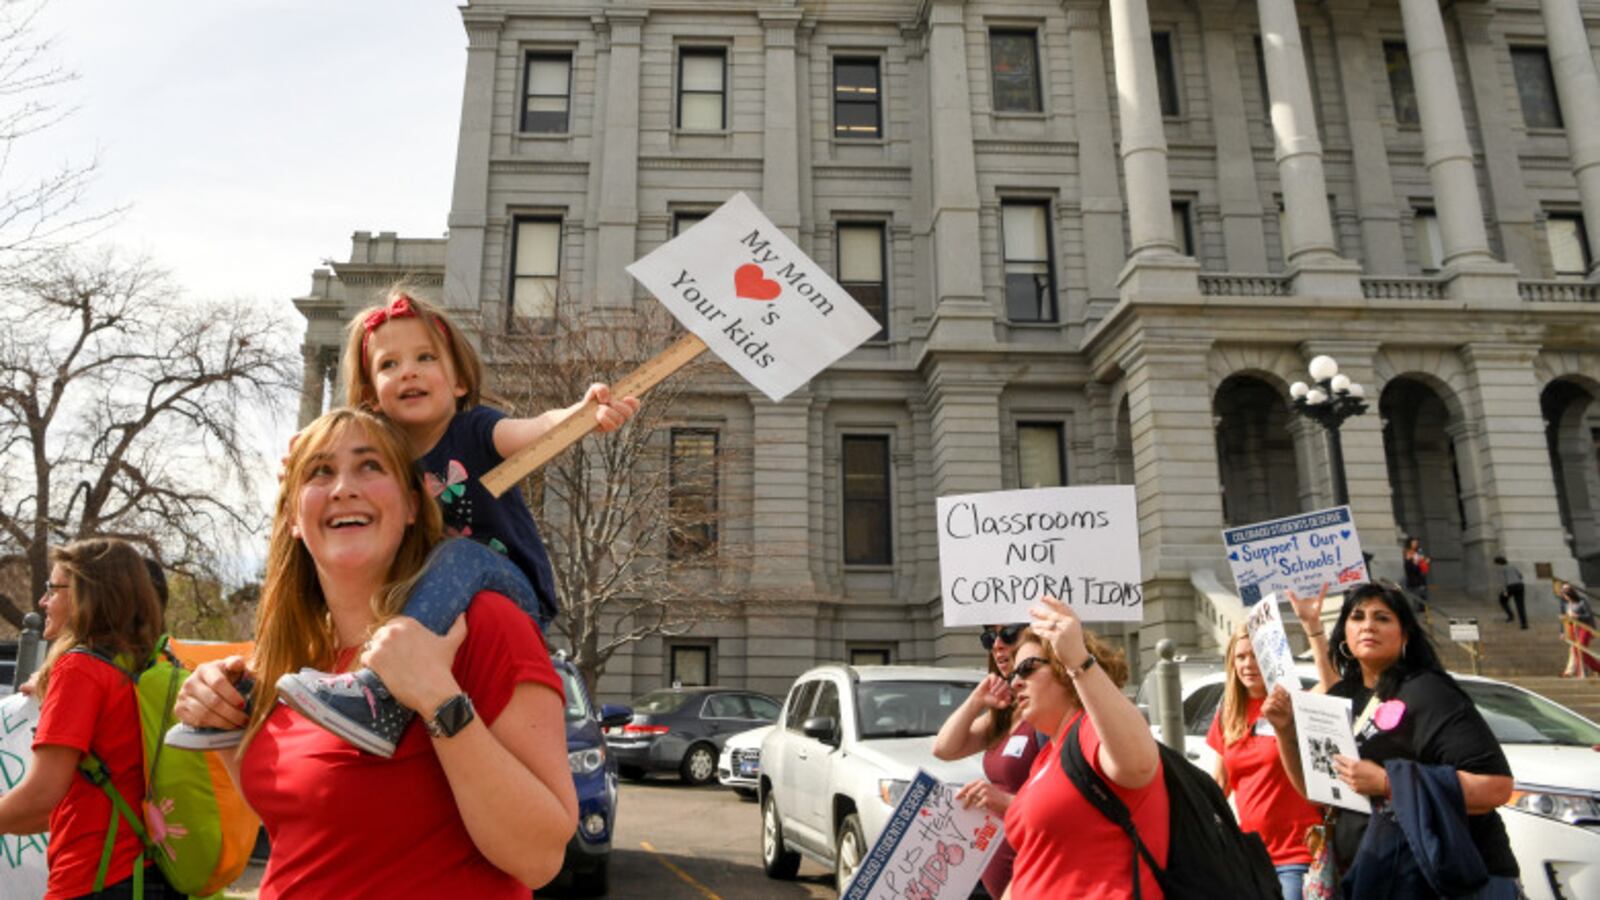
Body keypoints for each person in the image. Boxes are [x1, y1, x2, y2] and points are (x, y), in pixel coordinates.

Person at [172, 289, 639, 755]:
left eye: (424, 358)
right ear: (371, 395)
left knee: (456, 553)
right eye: (389, 365)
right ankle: (268, 687)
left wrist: (581, 414)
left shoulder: (475, 430)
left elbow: (533, 429)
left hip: (508, 584)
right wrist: (303, 466)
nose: (408, 371)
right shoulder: (382, 455)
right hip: (429, 592)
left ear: (458, 382)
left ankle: (378, 694)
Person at [172, 407, 577, 896]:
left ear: (411, 506)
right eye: (320, 472)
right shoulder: (291, 658)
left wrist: (438, 699)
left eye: (370, 466)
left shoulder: (481, 623)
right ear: (293, 518)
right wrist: (221, 718)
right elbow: (304, 828)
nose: (344, 487)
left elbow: (540, 858)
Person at [1262, 581, 1519, 894]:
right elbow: (1319, 792)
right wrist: (1284, 730)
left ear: (1405, 636)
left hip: (1447, 879)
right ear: (1344, 634)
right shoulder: (1343, 696)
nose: (1368, 625)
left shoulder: (1429, 693)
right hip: (1373, 875)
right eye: (1357, 617)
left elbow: (1496, 788)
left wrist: (1388, 782)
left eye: (1382, 618)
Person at [0, 538, 172, 899]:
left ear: (84, 595)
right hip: (148, 874)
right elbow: (54, 809)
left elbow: (41, 796)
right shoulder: (146, 666)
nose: (43, 601)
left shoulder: (79, 668)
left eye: (53, 589)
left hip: (94, 877)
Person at [999, 598, 1165, 900]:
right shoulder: (1048, 756)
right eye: (1012, 675)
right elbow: (1035, 863)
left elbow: (1138, 765)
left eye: (1026, 669)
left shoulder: (1091, 729)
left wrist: (1078, 658)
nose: (1015, 683)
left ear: (1064, 669)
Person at [1207, 586, 1337, 899]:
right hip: (1248, 856)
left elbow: (1332, 685)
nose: (1248, 664)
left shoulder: (1292, 703)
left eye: (1255, 655)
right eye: (1240, 657)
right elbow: (1220, 783)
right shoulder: (1228, 714)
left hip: (1298, 855)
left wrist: (1313, 629)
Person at [935, 623, 1043, 899]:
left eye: (1007, 634)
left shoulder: (1046, 717)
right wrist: (975, 701)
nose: (997, 645)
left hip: (1035, 870)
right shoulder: (1004, 715)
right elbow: (944, 748)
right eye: (990, 637)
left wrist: (1006, 802)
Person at [1557, 580, 1599, 676]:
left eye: (1566, 595)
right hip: (1572, 629)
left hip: (1584, 628)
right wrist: (1563, 631)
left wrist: (1577, 616)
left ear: (1571, 594)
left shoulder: (1582, 602)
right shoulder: (1567, 605)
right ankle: (1588, 670)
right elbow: (1564, 619)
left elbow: (1589, 615)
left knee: (1580, 649)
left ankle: (1595, 668)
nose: (1565, 598)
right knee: (1576, 650)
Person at [1494, 556, 1526, 629]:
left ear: (1499, 563)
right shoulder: (1513, 566)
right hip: (1520, 585)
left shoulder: (1501, 569)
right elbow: (1520, 576)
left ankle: (1510, 616)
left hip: (1510, 587)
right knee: (1520, 605)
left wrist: (1505, 591)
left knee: (1502, 600)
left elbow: (1503, 581)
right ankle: (1524, 624)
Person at [1403, 536, 1430, 610]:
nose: (1415, 544)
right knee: (1416, 596)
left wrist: (1424, 562)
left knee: (1423, 596)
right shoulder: (1408, 552)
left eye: (1416, 543)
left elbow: (1421, 562)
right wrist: (1415, 562)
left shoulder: (1418, 552)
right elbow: (1409, 567)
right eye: (1413, 543)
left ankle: (1423, 608)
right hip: (1413, 578)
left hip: (1420, 576)